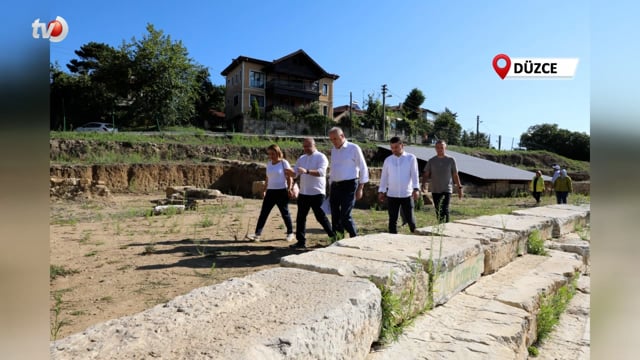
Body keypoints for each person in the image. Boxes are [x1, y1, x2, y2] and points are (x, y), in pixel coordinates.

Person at [285, 137, 335, 249]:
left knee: (320, 217)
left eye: (308, 146)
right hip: (304, 192)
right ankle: (300, 241)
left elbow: (322, 172)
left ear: (314, 145)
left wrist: (307, 171)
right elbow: (296, 174)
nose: (306, 148)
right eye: (304, 146)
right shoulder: (302, 158)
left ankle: (333, 237)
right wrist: (290, 173)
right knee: (301, 217)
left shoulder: (321, 157)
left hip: (317, 192)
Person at [246, 144, 295, 242]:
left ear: (278, 152)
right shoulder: (269, 164)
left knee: (285, 213)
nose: (271, 156)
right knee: (264, 213)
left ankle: (290, 233)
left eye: (273, 153)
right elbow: (268, 178)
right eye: (269, 154)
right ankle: (257, 234)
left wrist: (289, 189)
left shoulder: (284, 163)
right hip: (271, 192)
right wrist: (264, 189)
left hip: (281, 191)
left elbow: (289, 177)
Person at [327, 127, 369, 238]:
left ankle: (354, 238)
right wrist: (330, 185)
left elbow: (363, 168)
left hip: (349, 185)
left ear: (342, 136)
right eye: (331, 139)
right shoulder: (334, 150)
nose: (333, 142)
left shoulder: (353, 148)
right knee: (335, 215)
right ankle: (338, 239)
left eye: (335, 139)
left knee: (345, 215)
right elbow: (333, 169)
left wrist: (361, 187)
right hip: (335, 186)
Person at [378, 137, 420, 233]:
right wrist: (381, 191)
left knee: (410, 219)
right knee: (392, 220)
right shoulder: (388, 160)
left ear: (402, 145)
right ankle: (392, 240)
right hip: (392, 194)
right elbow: (384, 177)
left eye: (396, 147)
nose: (394, 150)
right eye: (392, 147)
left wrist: (416, 189)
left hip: (407, 194)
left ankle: (416, 237)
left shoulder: (411, 158)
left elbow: (414, 174)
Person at [421, 139, 463, 223]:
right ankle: (440, 225)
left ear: (445, 148)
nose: (440, 149)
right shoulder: (431, 161)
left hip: (447, 189)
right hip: (435, 189)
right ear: (435, 148)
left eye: (441, 147)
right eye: (438, 147)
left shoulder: (451, 160)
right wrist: (423, 184)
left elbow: (455, 175)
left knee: (445, 208)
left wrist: (459, 187)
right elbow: (426, 174)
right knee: (438, 209)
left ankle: (447, 226)